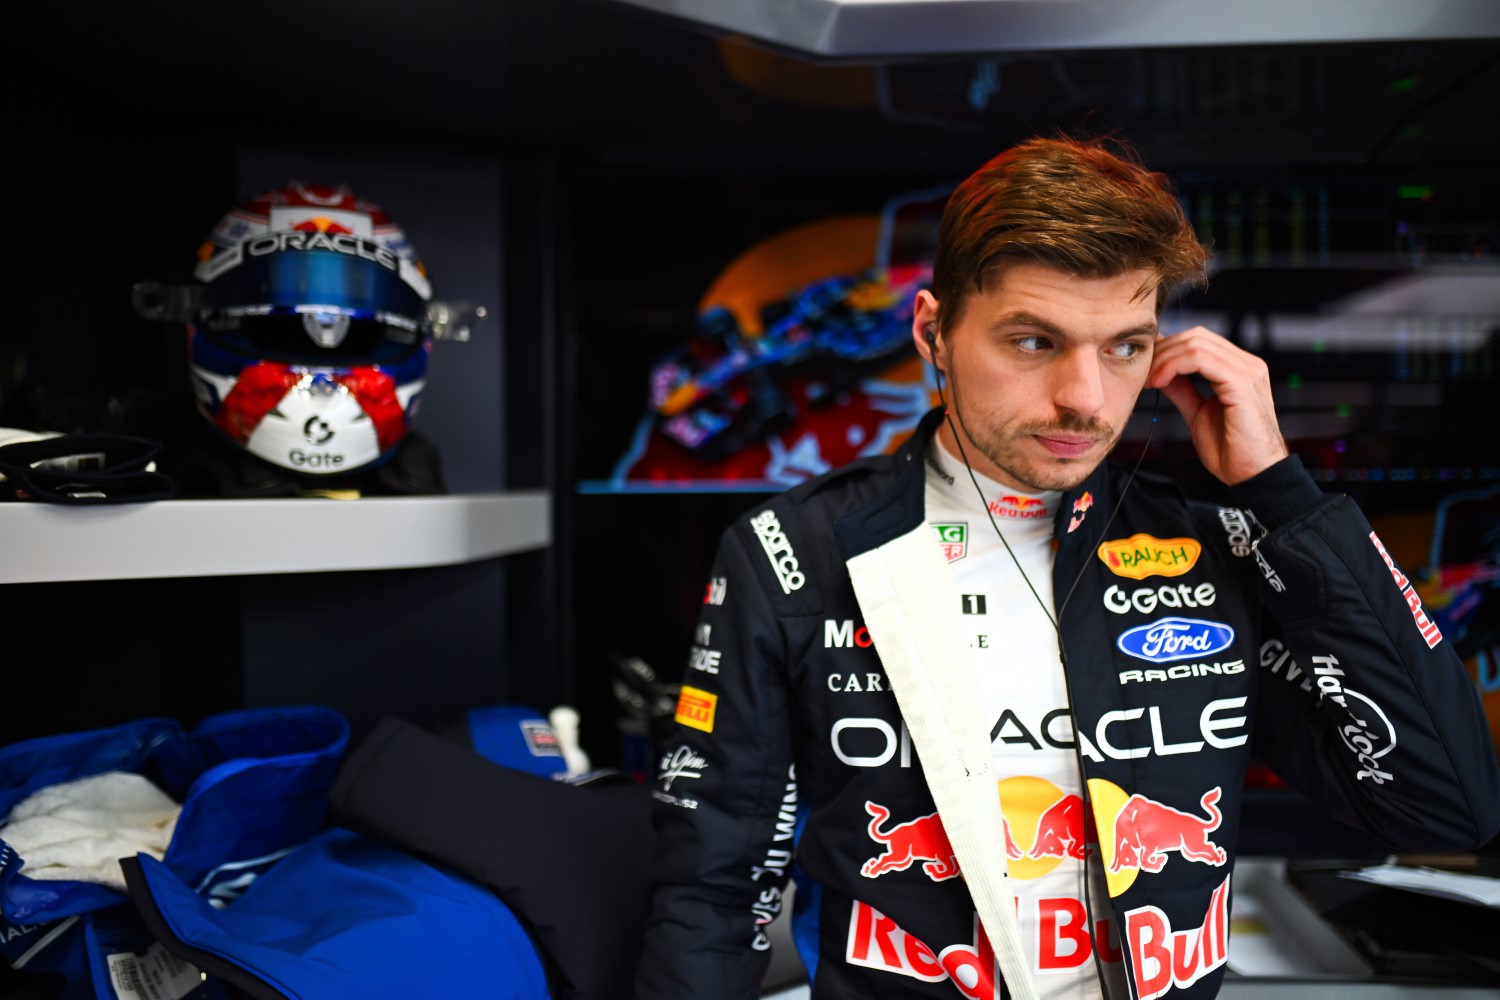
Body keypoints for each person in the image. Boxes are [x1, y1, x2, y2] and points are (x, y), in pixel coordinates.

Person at [633, 136, 1500, 1000]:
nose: (1085, 399)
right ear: (933, 332)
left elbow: (1447, 806)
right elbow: (712, 889)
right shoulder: (791, 552)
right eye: (1034, 341)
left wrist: (1284, 494)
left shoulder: (1215, 549)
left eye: (1125, 347)